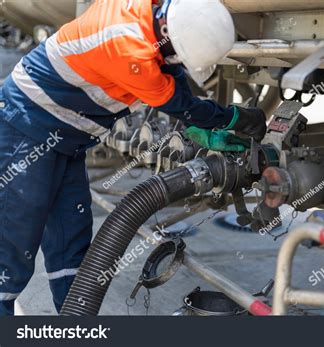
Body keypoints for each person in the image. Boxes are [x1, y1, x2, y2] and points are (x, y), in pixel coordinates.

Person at [0, 0, 267, 315]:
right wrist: (234, 118)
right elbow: (185, 108)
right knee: (16, 241)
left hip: (67, 137)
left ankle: (75, 322)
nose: (177, 61)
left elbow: (172, 68)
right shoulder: (131, 52)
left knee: (71, 236)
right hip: (27, 126)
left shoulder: (155, 14)